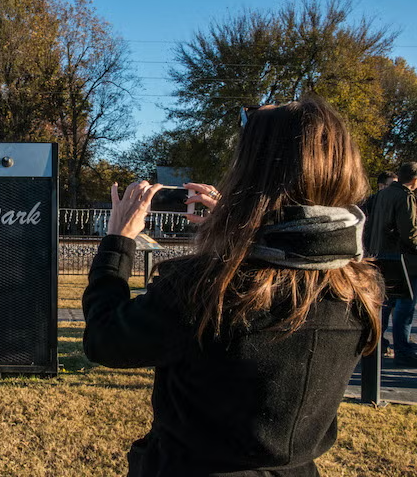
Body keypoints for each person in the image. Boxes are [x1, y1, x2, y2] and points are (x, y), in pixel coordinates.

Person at [83, 98, 382, 476]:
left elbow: (105, 340)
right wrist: (235, 227)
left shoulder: (206, 289)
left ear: (251, 172)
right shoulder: (358, 285)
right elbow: (292, 256)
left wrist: (117, 241)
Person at [365, 162, 417, 367]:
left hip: (382, 254)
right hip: (404, 259)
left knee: (385, 303)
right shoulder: (405, 197)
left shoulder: (381, 196)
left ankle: (376, 343)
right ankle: (402, 349)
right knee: (405, 305)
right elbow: (409, 234)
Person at [362, 170, 398, 356]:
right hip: (372, 256)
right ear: (381, 185)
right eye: (392, 185)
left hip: (383, 255)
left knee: (387, 301)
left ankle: (378, 339)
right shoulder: (370, 203)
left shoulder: (390, 203)